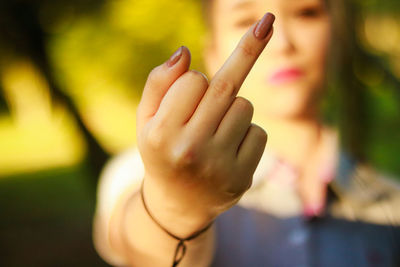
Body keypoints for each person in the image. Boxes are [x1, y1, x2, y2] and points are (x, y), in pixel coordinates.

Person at [93, 0, 400, 266]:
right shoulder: (148, 169)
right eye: (243, 20)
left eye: (306, 13)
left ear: (336, 37)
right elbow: (139, 247)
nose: (282, 43)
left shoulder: (391, 204)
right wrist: (173, 206)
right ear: (212, 52)